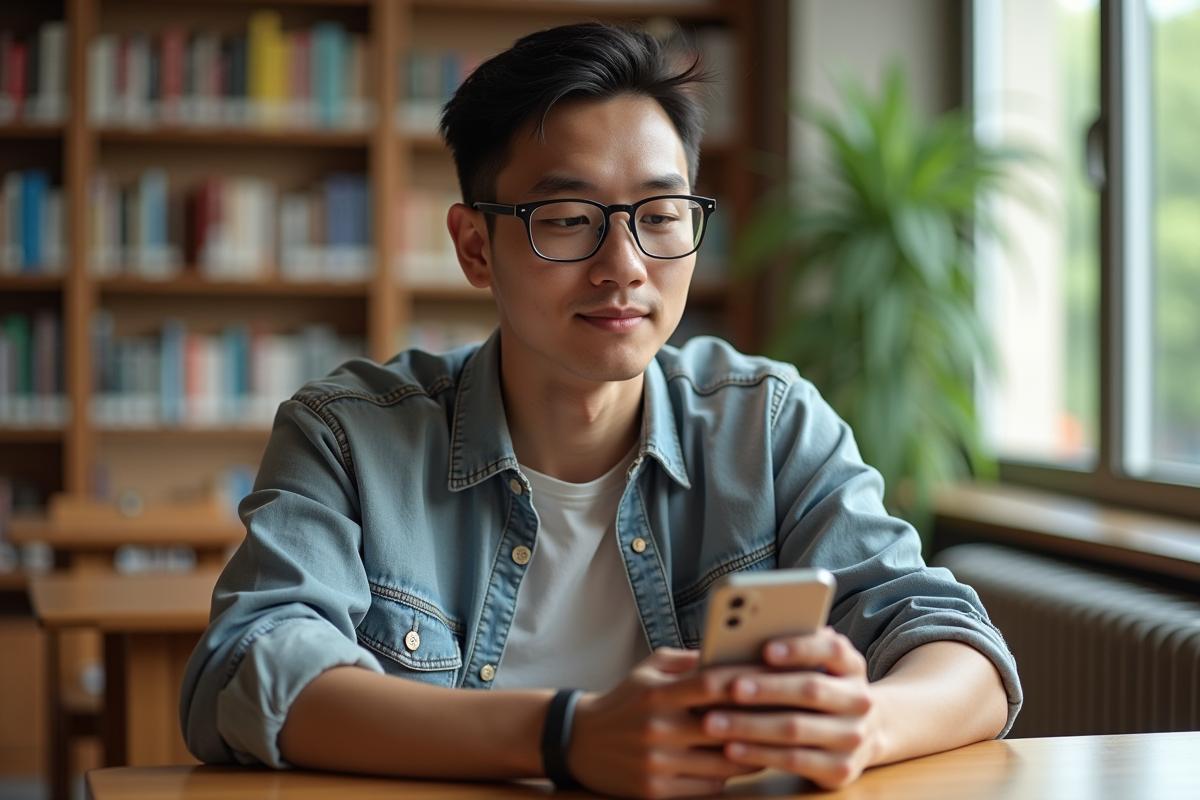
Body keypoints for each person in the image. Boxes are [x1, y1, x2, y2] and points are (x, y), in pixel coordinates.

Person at [180, 21, 1020, 798]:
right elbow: (246, 672)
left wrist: (867, 724)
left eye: (661, 215)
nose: (624, 265)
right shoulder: (348, 434)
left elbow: (958, 650)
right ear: (475, 246)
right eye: (568, 219)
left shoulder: (766, 426)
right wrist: (565, 737)